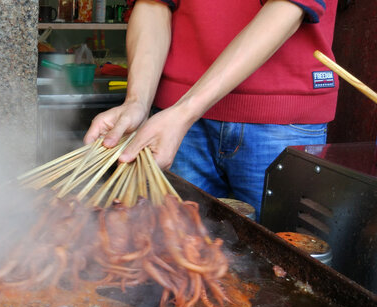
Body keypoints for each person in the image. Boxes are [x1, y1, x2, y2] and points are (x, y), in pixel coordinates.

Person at [83, 0, 339, 220]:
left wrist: (184, 111)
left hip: (282, 119)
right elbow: (153, 4)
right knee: (170, 257)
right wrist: (137, 101)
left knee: (284, 268)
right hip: (173, 121)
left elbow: (288, 6)